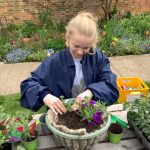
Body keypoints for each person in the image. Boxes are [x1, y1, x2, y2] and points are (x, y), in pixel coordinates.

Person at [20, 12, 119, 115]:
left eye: (86, 47)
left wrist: (91, 92)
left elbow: (110, 85)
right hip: (62, 115)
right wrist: (44, 95)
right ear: (68, 38)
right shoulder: (54, 62)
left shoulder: (98, 58)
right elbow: (28, 86)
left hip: (90, 114)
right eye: (76, 46)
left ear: (92, 43)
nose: (80, 52)